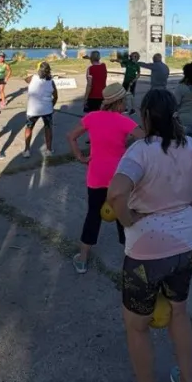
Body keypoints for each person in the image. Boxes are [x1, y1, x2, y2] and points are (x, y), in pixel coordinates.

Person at [107, 89, 192, 382]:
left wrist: (128, 219)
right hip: (185, 242)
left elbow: (116, 194)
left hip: (145, 249)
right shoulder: (191, 147)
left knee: (137, 327)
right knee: (179, 312)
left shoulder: (140, 151)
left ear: (146, 116)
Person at [67, 83, 142, 274]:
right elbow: (144, 137)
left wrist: (80, 156)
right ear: (118, 102)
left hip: (96, 175)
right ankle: (131, 259)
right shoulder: (124, 121)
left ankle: (82, 258)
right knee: (123, 216)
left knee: (93, 215)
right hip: (120, 177)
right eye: (124, 100)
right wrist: (128, 146)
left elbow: (71, 136)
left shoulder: (91, 117)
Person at [23, 61, 58, 158]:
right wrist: (52, 105)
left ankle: (26, 150)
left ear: (38, 70)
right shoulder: (51, 81)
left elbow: (25, 79)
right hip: (47, 109)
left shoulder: (32, 78)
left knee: (29, 128)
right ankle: (49, 149)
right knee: (48, 128)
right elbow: (55, 96)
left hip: (32, 110)